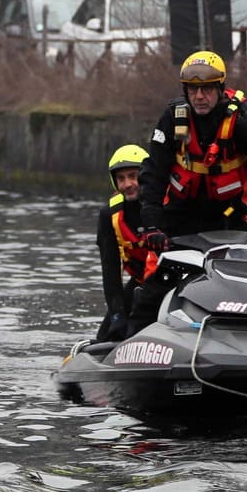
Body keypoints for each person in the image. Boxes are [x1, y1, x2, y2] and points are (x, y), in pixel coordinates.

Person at [128, 50, 247, 335]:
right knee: (153, 286)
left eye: (207, 88)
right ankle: (132, 342)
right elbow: (154, 175)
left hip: (230, 218)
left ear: (220, 89)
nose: (200, 96)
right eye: (193, 89)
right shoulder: (173, 120)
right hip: (178, 218)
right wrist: (150, 226)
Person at [94, 144, 153, 343]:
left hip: (172, 283)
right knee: (106, 336)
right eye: (121, 178)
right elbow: (110, 272)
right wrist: (117, 315)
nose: (127, 184)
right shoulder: (109, 215)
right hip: (140, 282)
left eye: (133, 176)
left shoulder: (167, 204)